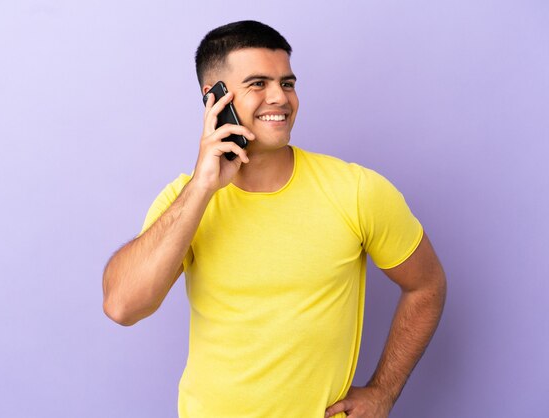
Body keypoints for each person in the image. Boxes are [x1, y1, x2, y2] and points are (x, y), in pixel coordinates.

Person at [102, 20, 447, 418]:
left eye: (287, 83)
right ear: (214, 98)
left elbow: (427, 284)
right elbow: (123, 305)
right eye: (258, 84)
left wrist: (383, 391)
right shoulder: (187, 200)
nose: (279, 98)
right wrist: (202, 187)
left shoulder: (356, 190)